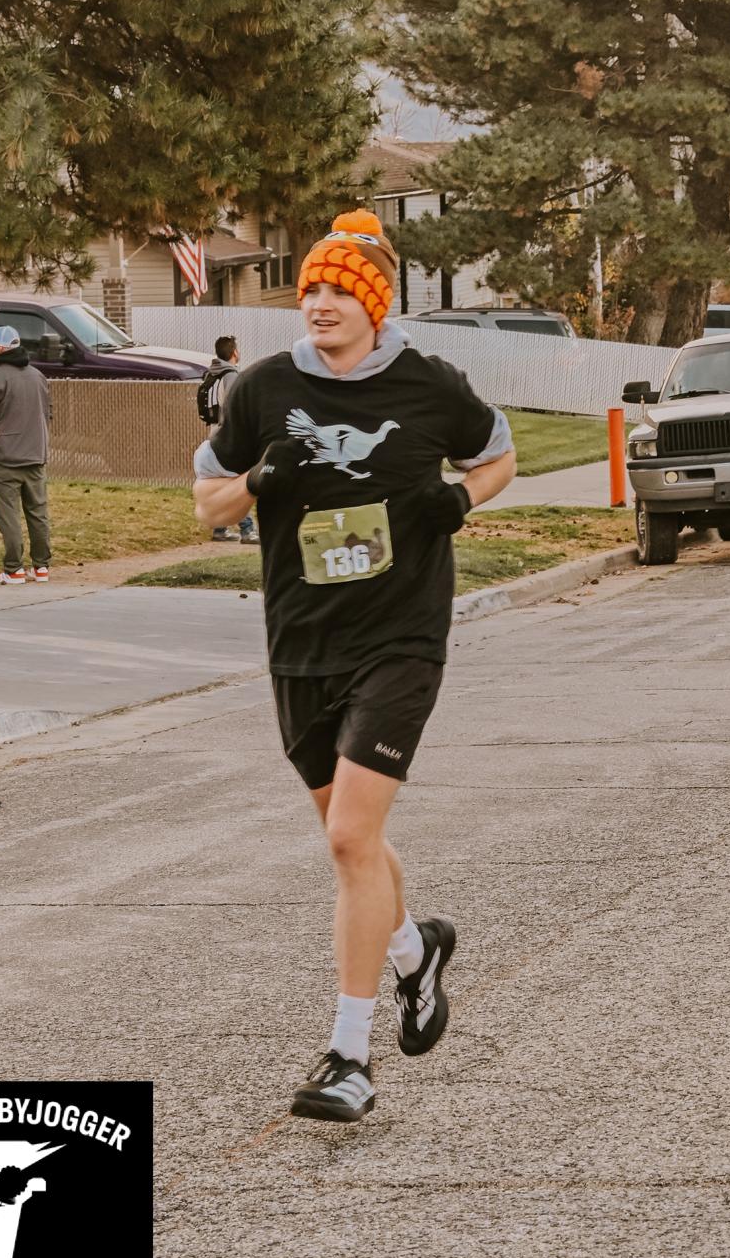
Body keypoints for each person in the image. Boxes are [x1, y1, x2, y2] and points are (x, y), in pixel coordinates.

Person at [193, 210, 516, 1122]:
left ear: (374, 303)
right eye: (312, 290)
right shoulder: (262, 388)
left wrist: (458, 498)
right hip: (301, 643)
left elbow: (498, 456)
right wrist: (256, 483)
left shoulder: (429, 385)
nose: (321, 303)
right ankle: (416, 951)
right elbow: (206, 506)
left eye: (340, 289)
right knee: (356, 841)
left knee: (345, 841)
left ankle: (348, 1055)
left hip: (400, 638)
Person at [0, 324, 53, 584]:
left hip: (4, 459)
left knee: (7, 515)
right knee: (38, 513)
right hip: (35, 456)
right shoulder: (38, 376)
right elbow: (47, 414)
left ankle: (13, 569)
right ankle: (41, 567)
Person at [198, 336, 258, 545]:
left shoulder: (211, 373)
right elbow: (235, 407)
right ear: (234, 353)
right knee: (238, 482)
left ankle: (220, 529)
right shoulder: (231, 375)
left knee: (221, 482)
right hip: (229, 436)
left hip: (214, 433)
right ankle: (247, 530)